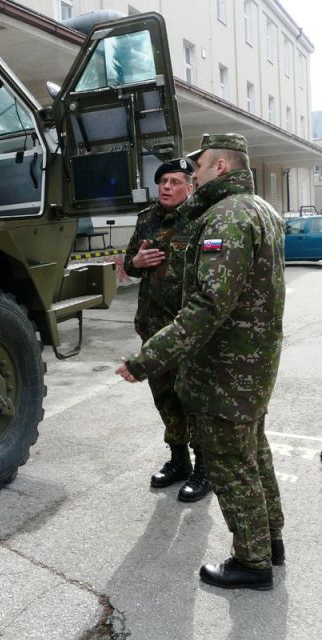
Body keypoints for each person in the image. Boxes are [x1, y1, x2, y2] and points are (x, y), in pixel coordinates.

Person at [116, 133, 285, 590]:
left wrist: (146, 360)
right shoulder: (260, 209)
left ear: (221, 167)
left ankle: (252, 562)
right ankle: (270, 541)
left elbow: (207, 306)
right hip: (254, 363)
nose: (196, 173)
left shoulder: (226, 217)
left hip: (228, 367)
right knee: (255, 453)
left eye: (202, 165)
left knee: (231, 464)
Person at [124, 158, 211, 501]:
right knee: (165, 398)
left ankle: (204, 468)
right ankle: (179, 460)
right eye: (163, 181)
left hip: (188, 331)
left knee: (194, 400)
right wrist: (135, 263)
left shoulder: (203, 218)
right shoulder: (147, 218)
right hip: (153, 328)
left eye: (175, 182)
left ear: (190, 187)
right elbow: (130, 262)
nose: (166, 187)